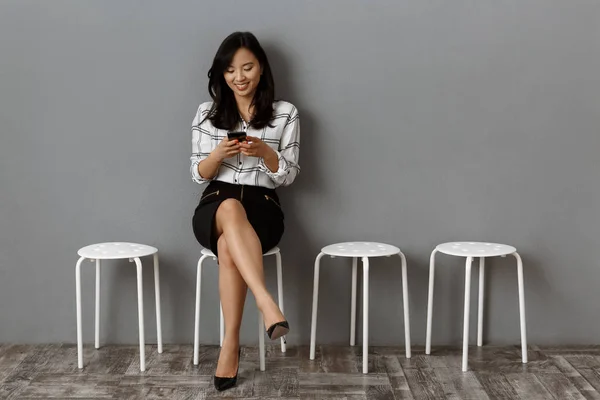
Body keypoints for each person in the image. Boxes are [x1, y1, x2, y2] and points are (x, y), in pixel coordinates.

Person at [190, 31, 300, 391]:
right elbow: (197, 173)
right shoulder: (206, 113)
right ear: (221, 74)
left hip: (263, 206)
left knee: (226, 247)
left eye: (248, 67)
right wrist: (217, 156)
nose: (239, 77)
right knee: (229, 206)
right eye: (230, 70)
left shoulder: (285, 113)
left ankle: (231, 346)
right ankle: (267, 303)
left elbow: (289, 175)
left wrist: (266, 154)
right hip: (216, 202)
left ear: (261, 67)